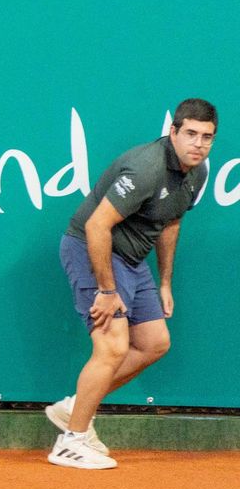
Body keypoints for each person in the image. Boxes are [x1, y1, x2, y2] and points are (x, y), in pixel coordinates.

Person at [47, 99, 218, 470]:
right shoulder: (146, 168)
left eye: (207, 137)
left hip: (130, 261)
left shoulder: (197, 171)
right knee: (112, 347)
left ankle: (76, 407)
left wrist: (165, 283)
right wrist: (106, 292)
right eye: (190, 133)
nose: (198, 144)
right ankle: (71, 441)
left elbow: (170, 223)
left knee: (155, 343)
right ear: (173, 131)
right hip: (91, 249)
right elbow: (95, 226)